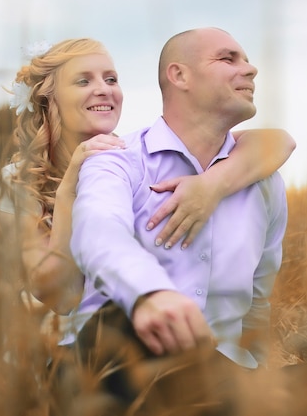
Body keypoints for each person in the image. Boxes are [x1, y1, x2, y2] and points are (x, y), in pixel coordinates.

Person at [0, 38, 295, 322]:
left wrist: (211, 185)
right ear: (49, 98)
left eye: (111, 79)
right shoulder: (17, 183)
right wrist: (68, 190)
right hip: (50, 336)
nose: (104, 89)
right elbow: (59, 298)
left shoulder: (132, 156)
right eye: (84, 81)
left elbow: (276, 142)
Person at [69, 28, 289, 411]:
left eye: (247, 59)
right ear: (179, 75)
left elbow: (258, 298)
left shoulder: (265, 181)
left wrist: (259, 373)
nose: (251, 69)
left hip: (223, 376)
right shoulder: (117, 161)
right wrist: (149, 294)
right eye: (228, 59)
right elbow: (98, 233)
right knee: (115, 325)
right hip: (124, 363)